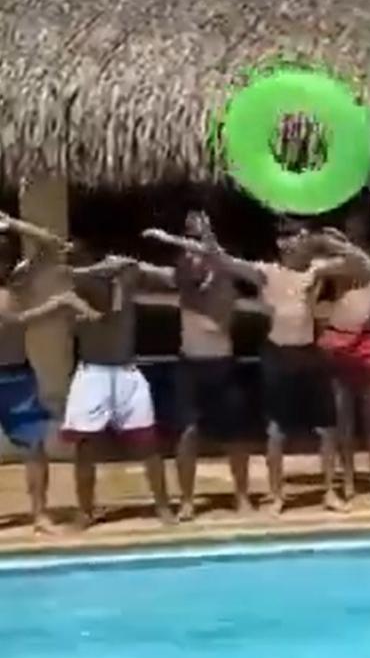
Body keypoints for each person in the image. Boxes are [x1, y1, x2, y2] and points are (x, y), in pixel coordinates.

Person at [187, 223, 344, 513]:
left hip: (308, 352)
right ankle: (277, 495)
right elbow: (223, 259)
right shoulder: (265, 272)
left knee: (326, 429)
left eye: (299, 237)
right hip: (278, 355)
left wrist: (324, 239)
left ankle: (330, 491)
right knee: (276, 431)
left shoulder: (315, 270)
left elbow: (353, 262)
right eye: (289, 237)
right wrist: (208, 233)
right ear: (281, 244)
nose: (294, 242)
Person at [144, 212, 254, 519]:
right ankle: (188, 500)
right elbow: (146, 270)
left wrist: (200, 233)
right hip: (189, 366)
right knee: (186, 433)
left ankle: (242, 496)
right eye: (187, 247)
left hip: (222, 366)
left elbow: (214, 253)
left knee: (235, 437)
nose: (190, 253)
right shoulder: (183, 280)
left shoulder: (224, 276)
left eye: (195, 245)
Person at [0, 211, 100, 532]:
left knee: (34, 447)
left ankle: (40, 514)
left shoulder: (19, 279)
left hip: (17, 374)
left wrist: (12, 223)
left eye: (3, 250)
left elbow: (51, 243)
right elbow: (12, 323)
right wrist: (57, 305)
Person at [61, 249, 176, 527]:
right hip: (93, 374)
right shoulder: (77, 292)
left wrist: (138, 263)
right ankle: (85, 510)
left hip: (127, 373)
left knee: (148, 444)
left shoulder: (124, 282)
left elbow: (172, 277)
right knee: (86, 447)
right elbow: (103, 313)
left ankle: (162, 505)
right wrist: (102, 269)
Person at [317, 194, 370, 499]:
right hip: (339, 339)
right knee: (343, 417)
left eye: (360, 224)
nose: (355, 229)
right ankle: (348, 479)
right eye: (350, 225)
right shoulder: (338, 261)